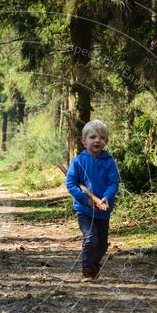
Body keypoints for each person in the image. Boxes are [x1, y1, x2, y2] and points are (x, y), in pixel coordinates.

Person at [66, 120, 120, 282]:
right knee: (90, 239)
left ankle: (94, 263)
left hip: (103, 209)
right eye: (93, 137)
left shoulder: (109, 162)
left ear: (106, 142)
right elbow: (71, 184)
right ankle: (87, 270)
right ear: (84, 141)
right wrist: (85, 200)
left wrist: (106, 197)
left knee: (102, 244)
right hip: (85, 210)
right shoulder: (78, 161)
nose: (97, 140)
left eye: (102, 138)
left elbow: (113, 183)